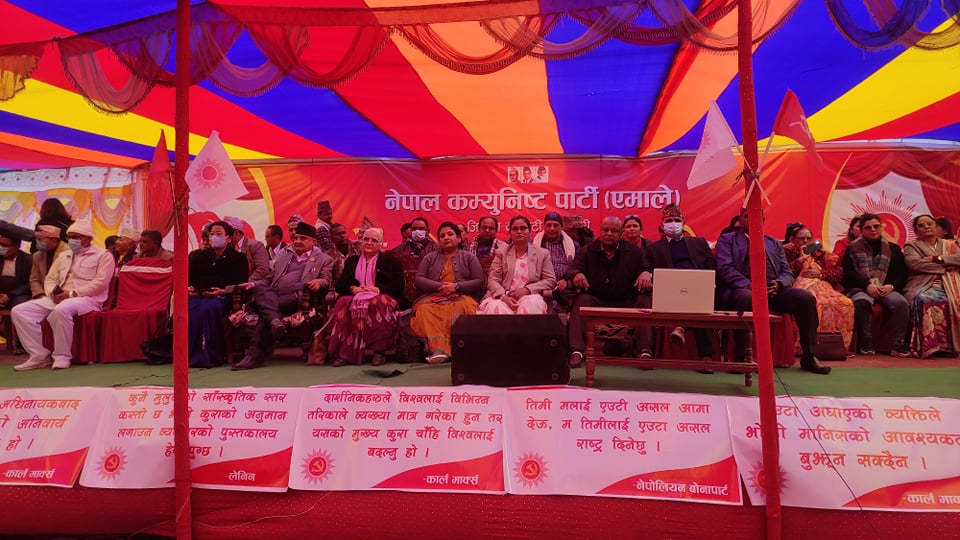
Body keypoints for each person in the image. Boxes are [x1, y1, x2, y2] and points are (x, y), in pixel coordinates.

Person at [716, 208, 831, 374]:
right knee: (746, 298)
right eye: (748, 216)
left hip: (772, 289)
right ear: (740, 219)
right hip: (743, 288)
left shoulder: (774, 243)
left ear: (763, 220)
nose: (753, 219)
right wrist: (749, 285)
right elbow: (725, 268)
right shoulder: (727, 240)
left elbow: (786, 272)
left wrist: (779, 284)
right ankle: (741, 357)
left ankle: (809, 356)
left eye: (758, 216)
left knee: (805, 298)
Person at [12, 220, 115, 370]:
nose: (72, 240)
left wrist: (72, 293)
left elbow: (101, 283)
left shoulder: (103, 255)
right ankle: (39, 355)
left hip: (87, 299)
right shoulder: (64, 255)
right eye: (69, 237)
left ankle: (62, 356)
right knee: (20, 311)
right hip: (60, 297)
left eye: (76, 237)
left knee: (61, 310)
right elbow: (50, 279)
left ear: (88, 238)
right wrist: (52, 293)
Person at [232, 222, 334, 370]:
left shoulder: (324, 259)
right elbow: (268, 279)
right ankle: (274, 321)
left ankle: (253, 356)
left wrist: (319, 281)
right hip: (274, 295)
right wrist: (252, 284)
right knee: (260, 288)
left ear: (313, 241)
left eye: (303, 238)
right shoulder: (284, 256)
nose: (297, 241)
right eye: (296, 238)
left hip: (296, 297)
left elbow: (326, 280)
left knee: (265, 312)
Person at [638, 204, 716, 365]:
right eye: (669, 220)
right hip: (670, 291)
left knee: (701, 300)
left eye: (676, 220)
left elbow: (712, 267)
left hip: (697, 287)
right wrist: (646, 272)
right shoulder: (653, 248)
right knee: (695, 302)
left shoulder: (699, 243)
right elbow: (646, 267)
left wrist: (711, 283)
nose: (673, 224)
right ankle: (684, 332)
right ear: (662, 225)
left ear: (683, 222)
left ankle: (704, 355)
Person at [565, 216, 647, 367]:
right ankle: (576, 351)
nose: (609, 233)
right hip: (597, 301)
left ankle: (645, 352)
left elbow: (646, 267)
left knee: (645, 300)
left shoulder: (635, 252)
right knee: (582, 299)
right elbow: (572, 269)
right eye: (605, 230)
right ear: (600, 231)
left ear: (621, 233)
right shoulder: (587, 250)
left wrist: (646, 273)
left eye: (613, 230)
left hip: (626, 302)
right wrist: (577, 274)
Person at [327, 227, 406, 367]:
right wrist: (353, 289)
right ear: (361, 241)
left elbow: (398, 284)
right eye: (366, 239)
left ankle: (379, 352)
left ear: (380, 244)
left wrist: (377, 289)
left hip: (382, 296)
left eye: (374, 240)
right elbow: (340, 284)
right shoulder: (352, 261)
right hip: (357, 296)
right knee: (343, 302)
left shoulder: (391, 261)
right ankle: (346, 353)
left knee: (378, 302)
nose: (369, 242)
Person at [410, 221, 485, 363]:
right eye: (442, 236)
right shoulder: (430, 258)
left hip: (461, 296)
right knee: (425, 310)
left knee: (461, 308)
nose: (446, 238)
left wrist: (456, 286)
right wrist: (440, 286)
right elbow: (419, 279)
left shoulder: (468, 257)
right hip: (433, 297)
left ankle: (459, 349)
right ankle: (438, 350)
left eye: (450, 234)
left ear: (459, 238)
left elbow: (479, 281)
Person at [842, 213, 911, 357]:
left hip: (886, 288)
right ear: (862, 230)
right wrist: (867, 285)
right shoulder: (852, 248)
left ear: (881, 227)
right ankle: (865, 342)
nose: (873, 230)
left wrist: (891, 286)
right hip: (861, 287)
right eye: (868, 228)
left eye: (876, 226)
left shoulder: (893, 248)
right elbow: (848, 273)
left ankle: (898, 344)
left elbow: (901, 273)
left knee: (902, 303)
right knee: (862, 302)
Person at [783, 223, 854, 350]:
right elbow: (784, 273)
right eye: (801, 238)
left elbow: (839, 274)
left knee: (845, 304)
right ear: (792, 240)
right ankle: (806, 347)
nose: (806, 241)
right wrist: (800, 259)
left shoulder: (822, 254)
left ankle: (836, 347)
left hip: (824, 287)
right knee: (817, 304)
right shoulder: (786, 253)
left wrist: (821, 274)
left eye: (808, 238)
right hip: (799, 288)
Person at [187, 220, 249, 368]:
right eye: (212, 234)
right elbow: (191, 280)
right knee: (191, 309)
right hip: (199, 295)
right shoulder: (198, 256)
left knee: (210, 308)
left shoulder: (238, 258)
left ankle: (213, 355)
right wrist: (190, 289)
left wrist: (223, 291)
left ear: (228, 238)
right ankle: (192, 355)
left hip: (223, 296)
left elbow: (241, 283)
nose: (214, 237)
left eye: (218, 234)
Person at [903, 214, 960, 357]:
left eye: (929, 223)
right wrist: (947, 267)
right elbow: (916, 264)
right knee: (925, 300)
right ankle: (932, 346)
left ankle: (952, 346)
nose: (926, 226)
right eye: (921, 225)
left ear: (935, 226)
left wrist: (938, 258)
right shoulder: (911, 246)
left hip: (951, 283)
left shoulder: (949, 245)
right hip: (924, 284)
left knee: (955, 300)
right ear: (916, 231)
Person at [477, 215, 555, 315]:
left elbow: (550, 280)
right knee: (496, 307)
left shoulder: (542, 254)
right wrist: (503, 297)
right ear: (510, 233)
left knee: (532, 304)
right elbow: (493, 279)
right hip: (504, 295)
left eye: (523, 228)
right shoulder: (501, 253)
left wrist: (527, 289)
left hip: (530, 295)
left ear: (530, 231)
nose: (519, 232)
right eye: (515, 229)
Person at [533, 212, 578, 311]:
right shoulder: (533, 244)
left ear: (561, 227)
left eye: (556, 225)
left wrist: (567, 282)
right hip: (540, 287)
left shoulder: (574, 246)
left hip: (565, 290)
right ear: (544, 226)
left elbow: (578, 268)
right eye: (549, 225)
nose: (552, 228)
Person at [29, 225, 70, 300]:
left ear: (54, 241)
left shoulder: (68, 252)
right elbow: (34, 279)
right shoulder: (37, 255)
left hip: (64, 295)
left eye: (41, 239)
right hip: (43, 295)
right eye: (37, 239)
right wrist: (40, 295)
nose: (38, 242)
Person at [224, 216, 270, 281]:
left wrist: (246, 283)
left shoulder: (255, 245)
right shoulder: (227, 248)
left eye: (226, 234)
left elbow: (263, 269)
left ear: (236, 233)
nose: (224, 237)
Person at [0, 234, 32, 309]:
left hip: (18, 295)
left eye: (4, 245)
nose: (0, 248)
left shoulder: (29, 260)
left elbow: (30, 283)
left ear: (17, 246)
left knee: (20, 306)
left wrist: (10, 296)